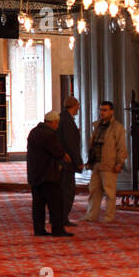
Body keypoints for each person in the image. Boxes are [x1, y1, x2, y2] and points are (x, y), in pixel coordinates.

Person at [27, 111, 71, 237]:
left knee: (38, 206)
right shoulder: (49, 135)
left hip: (35, 174)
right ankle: (58, 230)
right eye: (57, 124)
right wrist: (66, 156)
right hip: (48, 175)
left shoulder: (34, 132)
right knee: (56, 204)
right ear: (53, 122)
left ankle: (39, 230)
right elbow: (58, 152)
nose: (57, 126)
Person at [84, 100, 127, 223]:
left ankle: (109, 217)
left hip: (109, 164)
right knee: (94, 191)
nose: (102, 112)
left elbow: (121, 147)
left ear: (111, 111)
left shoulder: (117, 128)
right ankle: (91, 215)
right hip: (96, 163)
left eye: (105, 110)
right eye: (101, 110)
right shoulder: (97, 125)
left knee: (109, 192)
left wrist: (119, 163)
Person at [58, 96, 83, 225]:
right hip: (67, 163)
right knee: (67, 191)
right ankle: (62, 218)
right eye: (78, 105)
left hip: (62, 162)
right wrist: (78, 161)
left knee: (62, 190)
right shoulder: (67, 120)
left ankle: (58, 217)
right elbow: (70, 143)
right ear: (75, 105)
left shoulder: (63, 118)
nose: (79, 107)